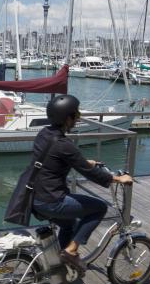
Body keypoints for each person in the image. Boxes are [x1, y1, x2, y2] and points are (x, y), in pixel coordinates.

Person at [31, 94, 133, 271]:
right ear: (67, 118)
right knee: (99, 207)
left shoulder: (44, 134)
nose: (77, 119)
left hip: (35, 198)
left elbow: (57, 159)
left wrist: (85, 162)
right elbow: (89, 173)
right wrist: (117, 178)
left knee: (69, 224)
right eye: (75, 115)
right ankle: (71, 251)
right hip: (52, 201)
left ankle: (62, 263)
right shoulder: (65, 144)